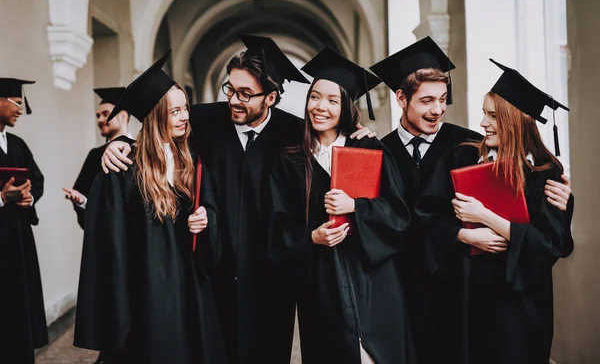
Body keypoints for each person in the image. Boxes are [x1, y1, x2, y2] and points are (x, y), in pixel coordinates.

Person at [100, 35, 376, 363]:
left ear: (271, 97)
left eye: (245, 94)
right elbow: (160, 131)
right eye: (230, 89)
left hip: (272, 281)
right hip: (214, 271)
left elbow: (335, 136)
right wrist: (121, 140)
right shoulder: (203, 121)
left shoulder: (294, 135)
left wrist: (363, 136)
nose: (233, 100)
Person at [369, 38, 574, 364]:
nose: (438, 109)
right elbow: (421, 215)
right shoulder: (454, 153)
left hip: (485, 294)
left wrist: (559, 197)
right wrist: (462, 233)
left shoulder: (473, 150)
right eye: (427, 100)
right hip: (415, 281)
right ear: (401, 99)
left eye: (443, 100)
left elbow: (552, 243)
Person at [73, 52, 226, 363]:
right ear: (156, 115)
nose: (185, 117)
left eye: (186, 109)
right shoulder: (122, 168)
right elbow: (108, 239)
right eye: (176, 111)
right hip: (145, 290)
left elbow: (209, 206)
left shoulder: (192, 163)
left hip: (189, 288)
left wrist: (206, 217)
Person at [269, 47, 415, 364]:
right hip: (321, 285)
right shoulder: (291, 159)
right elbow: (276, 225)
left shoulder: (369, 150)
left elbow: (399, 217)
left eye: (333, 100)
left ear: (346, 107)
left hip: (373, 279)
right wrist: (311, 237)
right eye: (315, 97)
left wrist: (356, 206)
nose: (321, 107)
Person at [0, 78, 47, 363]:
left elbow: (37, 180)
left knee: (19, 305)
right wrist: (2, 197)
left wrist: (29, 198)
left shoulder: (17, 143)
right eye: (16, 103)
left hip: (17, 239)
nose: (20, 110)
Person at [63, 87, 132, 229]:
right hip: (104, 236)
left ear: (123, 116)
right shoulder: (95, 155)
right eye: (98, 115)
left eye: (105, 114)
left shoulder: (141, 150)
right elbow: (85, 197)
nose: (100, 120)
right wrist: (82, 201)